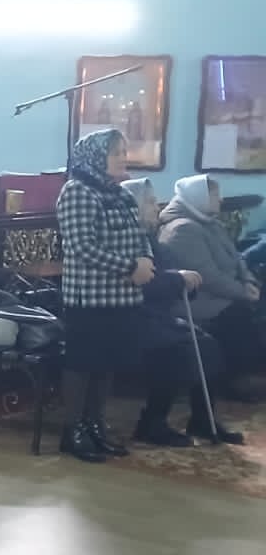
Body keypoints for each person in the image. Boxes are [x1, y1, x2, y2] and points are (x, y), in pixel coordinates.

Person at [55, 129, 156, 463]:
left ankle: (96, 426)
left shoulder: (120, 194)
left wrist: (146, 260)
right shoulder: (77, 191)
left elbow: (140, 234)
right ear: (96, 158)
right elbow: (82, 247)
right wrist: (130, 266)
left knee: (105, 364)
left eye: (124, 152)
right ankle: (73, 431)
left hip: (122, 297)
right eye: (116, 153)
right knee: (83, 364)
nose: (123, 158)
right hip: (89, 298)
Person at [120, 179, 244, 446]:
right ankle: (151, 423)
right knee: (181, 350)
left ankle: (203, 419)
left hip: (157, 314)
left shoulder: (148, 237)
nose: (157, 207)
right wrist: (178, 279)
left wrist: (185, 281)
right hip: (130, 315)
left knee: (207, 344)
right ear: (133, 206)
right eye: (150, 202)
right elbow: (144, 284)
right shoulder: (125, 240)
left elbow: (170, 272)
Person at [155, 174, 266, 402]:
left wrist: (248, 282)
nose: (221, 200)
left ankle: (252, 372)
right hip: (197, 299)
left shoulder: (210, 223)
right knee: (238, 312)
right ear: (199, 197)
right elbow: (209, 277)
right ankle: (239, 380)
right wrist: (242, 292)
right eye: (215, 195)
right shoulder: (182, 229)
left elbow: (238, 259)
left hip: (222, 290)